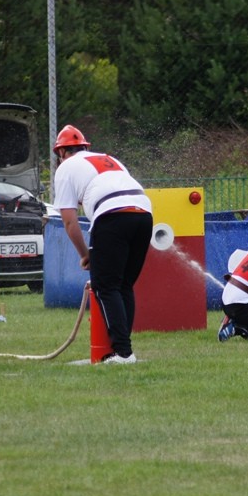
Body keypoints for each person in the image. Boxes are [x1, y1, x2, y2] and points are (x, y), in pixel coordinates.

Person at [52, 124, 153, 364]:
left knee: (105, 287)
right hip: (144, 211)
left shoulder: (66, 167)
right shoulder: (110, 159)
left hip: (112, 214)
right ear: (86, 146)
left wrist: (85, 254)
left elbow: (69, 221)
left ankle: (123, 353)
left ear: (61, 153)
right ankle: (124, 350)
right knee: (124, 285)